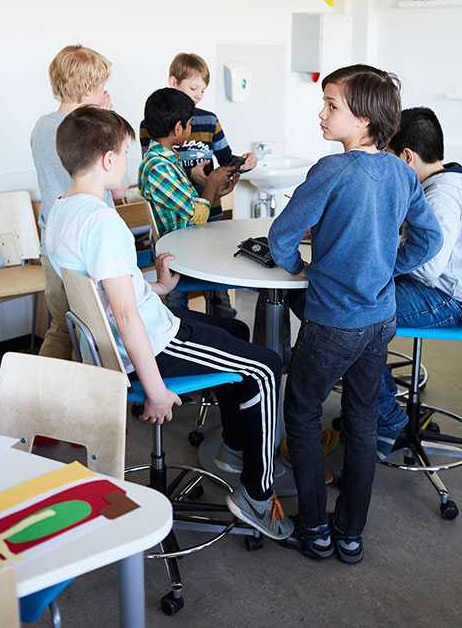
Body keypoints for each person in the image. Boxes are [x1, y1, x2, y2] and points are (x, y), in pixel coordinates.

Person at [45, 105, 292, 540]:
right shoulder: (103, 222)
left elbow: (105, 292)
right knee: (268, 367)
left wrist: (155, 288)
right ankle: (257, 494)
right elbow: (122, 313)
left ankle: (235, 446)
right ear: (107, 159)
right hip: (153, 344)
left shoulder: (60, 213)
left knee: (235, 332)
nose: (130, 161)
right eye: (125, 153)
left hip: (129, 336)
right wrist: (155, 389)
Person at [268, 65, 443, 564]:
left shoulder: (331, 171)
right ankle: (350, 534)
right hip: (380, 317)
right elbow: (429, 239)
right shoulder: (401, 172)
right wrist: (387, 267)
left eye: (332, 106)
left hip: (332, 322)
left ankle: (316, 529)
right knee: (362, 418)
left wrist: (299, 269)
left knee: (301, 413)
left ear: (364, 118)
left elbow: (283, 236)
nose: (321, 113)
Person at [376, 107, 462, 451]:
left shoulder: (441, 197)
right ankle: (377, 403)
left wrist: (374, 257)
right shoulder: (441, 183)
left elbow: (426, 268)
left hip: (446, 299)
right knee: (356, 307)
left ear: (407, 157)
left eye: (388, 157)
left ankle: (388, 422)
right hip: (443, 287)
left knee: (356, 319)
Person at [140, 53, 257, 319]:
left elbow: (225, 162)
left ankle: (219, 332)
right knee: (178, 301)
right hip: (182, 234)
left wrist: (235, 170)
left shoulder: (203, 125)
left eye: (203, 91)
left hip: (202, 221)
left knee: (219, 294)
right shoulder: (158, 160)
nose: (199, 96)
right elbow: (190, 206)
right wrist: (209, 183)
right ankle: (189, 337)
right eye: (194, 89)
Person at [30, 44, 114, 360]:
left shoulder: (42, 126)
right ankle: (99, 401)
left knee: (61, 327)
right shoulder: (88, 131)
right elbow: (114, 184)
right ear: (88, 87)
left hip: (52, 241)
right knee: (100, 328)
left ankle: (41, 400)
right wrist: (107, 120)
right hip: (88, 242)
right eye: (102, 85)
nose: (106, 92)